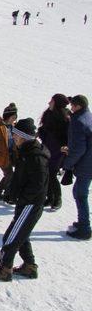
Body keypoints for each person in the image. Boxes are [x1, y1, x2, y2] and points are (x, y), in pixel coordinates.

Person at [0, 118, 49, 281]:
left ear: (22, 137)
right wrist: (12, 192)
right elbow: (21, 177)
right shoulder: (27, 151)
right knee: (22, 235)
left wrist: (21, 197)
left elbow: (37, 186)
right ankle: (29, 266)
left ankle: (5, 269)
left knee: (11, 238)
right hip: (27, 203)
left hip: (30, 204)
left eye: (14, 134)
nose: (12, 136)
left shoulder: (35, 157)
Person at [63, 95, 92, 240]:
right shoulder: (88, 115)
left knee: (80, 194)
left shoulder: (78, 121)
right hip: (89, 162)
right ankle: (82, 223)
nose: (71, 108)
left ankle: (85, 228)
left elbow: (79, 148)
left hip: (86, 165)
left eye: (73, 105)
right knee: (80, 193)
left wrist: (67, 164)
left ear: (78, 106)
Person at [38, 94, 70, 210]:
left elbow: (67, 137)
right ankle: (49, 197)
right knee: (46, 173)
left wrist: (64, 147)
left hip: (57, 151)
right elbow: (43, 129)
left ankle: (57, 198)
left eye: (51, 101)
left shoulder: (65, 119)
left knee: (52, 174)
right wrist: (41, 133)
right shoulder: (48, 114)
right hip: (47, 148)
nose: (49, 103)